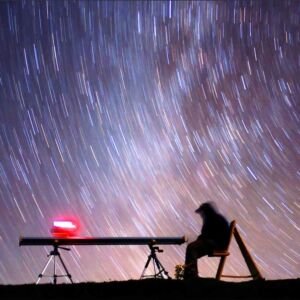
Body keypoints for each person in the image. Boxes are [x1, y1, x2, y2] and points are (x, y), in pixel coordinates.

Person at [183, 201, 230, 279]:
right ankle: (190, 273)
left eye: (201, 213)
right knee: (192, 248)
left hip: (217, 244)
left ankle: (191, 275)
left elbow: (208, 234)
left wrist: (200, 239)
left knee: (192, 248)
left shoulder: (214, 219)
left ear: (206, 212)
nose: (201, 215)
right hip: (214, 243)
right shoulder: (213, 218)